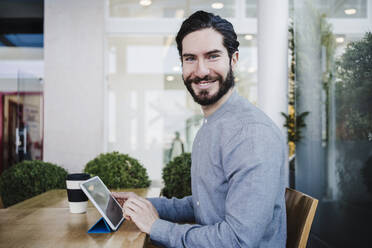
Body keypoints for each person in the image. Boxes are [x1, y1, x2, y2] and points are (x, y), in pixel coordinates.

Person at [112, 10, 287, 247]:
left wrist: (156, 227)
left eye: (212, 56)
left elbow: (238, 241)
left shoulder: (251, 134)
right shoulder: (213, 125)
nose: (201, 71)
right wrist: (146, 205)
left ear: (233, 60)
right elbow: (205, 203)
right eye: (190, 58)